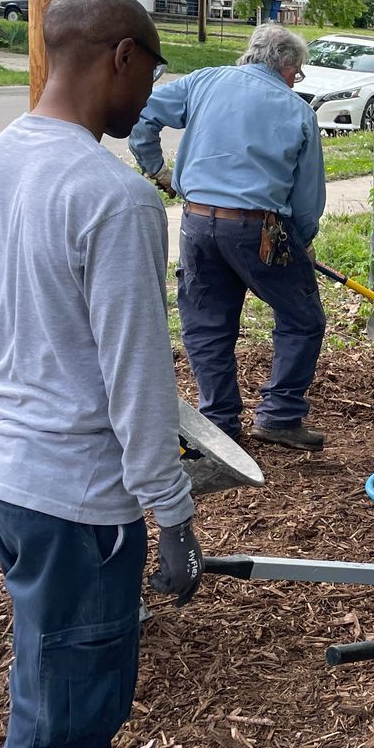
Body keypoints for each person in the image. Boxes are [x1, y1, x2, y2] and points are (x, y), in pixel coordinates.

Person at [0, 0, 202, 748]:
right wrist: (174, 513)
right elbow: (137, 378)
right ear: (117, 58)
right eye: (148, 72)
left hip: (4, 470)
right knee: (62, 708)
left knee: (65, 687)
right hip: (74, 495)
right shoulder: (115, 197)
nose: (148, 98)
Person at [128, 23, 327, 450]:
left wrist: (156, 169)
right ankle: (280, 414)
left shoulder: (203, 82)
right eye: (298, 72)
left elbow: (143, 114)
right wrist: (303, 240)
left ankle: (218, 423)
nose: (296, 80)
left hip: (198, 223)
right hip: (260, 230)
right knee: (303, 318)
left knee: (207, 323)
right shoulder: (297, 111)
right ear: (286, 65)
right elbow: (307, 198)